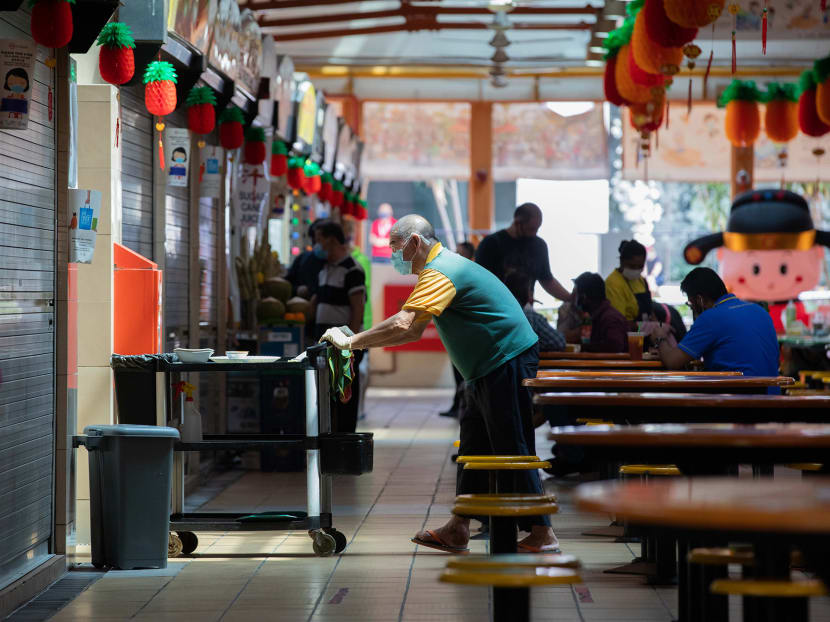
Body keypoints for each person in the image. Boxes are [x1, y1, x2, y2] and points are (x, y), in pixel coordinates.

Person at [319, 215, 557, 554]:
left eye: (396, 248)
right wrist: (357, 341)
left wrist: (351, 342)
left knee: (511, 447)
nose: (394, 257)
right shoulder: (441, 268)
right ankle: (459, 527)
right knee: (472, 449)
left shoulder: (440, 270)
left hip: (506, 358)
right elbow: (414, 327)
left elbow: (404, 325)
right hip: (484, 367)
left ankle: (542, 532)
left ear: (416, 242)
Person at [650, 267, 780, 379]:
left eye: (690, 304)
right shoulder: (758, 310)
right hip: (773, 398)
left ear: (699, 300)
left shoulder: (710, 317)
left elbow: (673, 362)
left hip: (739, 400)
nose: (692, 309)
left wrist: (660, 337)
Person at [311, 221, 366, 433]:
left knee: (345, 399)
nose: (315, 245)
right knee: (327, 398)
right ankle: (329, 444)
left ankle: (345, 444)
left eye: (318, 240)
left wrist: (348, 345)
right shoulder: (324, 270)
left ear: (332, 240)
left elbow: (357, 310)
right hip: (324, 346)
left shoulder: (352, 270)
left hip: (343, 348)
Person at [475, 202, 571, 301]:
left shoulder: (539, 246)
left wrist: (570, 298)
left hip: (524, 309)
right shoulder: (491, 243)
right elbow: (478, 280)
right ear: (517, 223)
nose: (534, 234)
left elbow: (547, 280)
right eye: (531, 229)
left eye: (537, 229)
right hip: (495, 306)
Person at [440, 241, 476, 419]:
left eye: (461, 253)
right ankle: (458, 404)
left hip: (467, 334)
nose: (456, 256)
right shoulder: (451, 274)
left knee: (463, 374)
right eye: (456, 252)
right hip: (456, 334)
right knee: (457, 373)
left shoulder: (469, 275)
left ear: (470, 257)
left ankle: (463, 405)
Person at [343, 219, 372, 421]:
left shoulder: (358, 263)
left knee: (357, 372)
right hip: (357, 327)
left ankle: (358, 408)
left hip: (360, 326)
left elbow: (359, 300)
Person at [565, 272, 628, 353]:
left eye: (576, 294)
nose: (573, 298)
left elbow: (614, 346)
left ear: (583, 297)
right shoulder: (597, 316)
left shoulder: (609, 318)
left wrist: (583, 348)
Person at [504, 271, 566, 352]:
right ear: (528, 294)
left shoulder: (495, 315)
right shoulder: (531, 316)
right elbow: (559, 342)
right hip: (526, 364)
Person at [605, 239, 652, 324]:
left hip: (642, 332)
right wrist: (642, 327)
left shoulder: (641, 280)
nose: (636, 270)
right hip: (627, 334)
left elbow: (650, 310)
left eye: (640, 266)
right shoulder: (613, 283)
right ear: (621, 261)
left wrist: (657, 325)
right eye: (632, 266)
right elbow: (618, 321)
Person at [286, 218, 327, 300]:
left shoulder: (337, 264)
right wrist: (297, 290)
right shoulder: (302, 259)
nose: (317, 244)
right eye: (314, 241)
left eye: (320, 240)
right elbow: (288, 283)